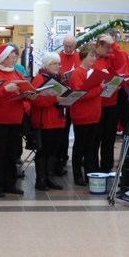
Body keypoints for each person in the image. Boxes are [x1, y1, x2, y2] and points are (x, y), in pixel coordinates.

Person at [0, 44, 28, 197]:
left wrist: (30, 95)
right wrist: (4, 90)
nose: (15, 58)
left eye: (15, 56)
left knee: (12, 154)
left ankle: (10, 183)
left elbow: (26, 88)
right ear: (3, 58)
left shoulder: (17, 72)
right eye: (11, 56)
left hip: (15, 119)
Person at [31, 52, 66, 191]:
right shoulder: (39, 78)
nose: (58, 66)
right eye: (54, 63)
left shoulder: (60, 78)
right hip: (45, 121)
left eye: (58, 63)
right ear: (46, 64)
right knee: (43, 151)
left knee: (53, 151)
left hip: (57, 120)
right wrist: (55, 99)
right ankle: (40, 179)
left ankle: (50, 178)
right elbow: (36, 100)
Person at [69, 43, 104, 186]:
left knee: (91, 148)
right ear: (83, 56)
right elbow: (80, 95)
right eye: (91, 55)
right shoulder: (78, 73)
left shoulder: (94, 72)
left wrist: (101, 87)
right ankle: (77, 175)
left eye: (95, 56)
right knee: (79, 147)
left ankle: (90, 174)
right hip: (82, 115)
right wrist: (99, 89)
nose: (93, 58)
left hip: (94, 114)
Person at [94, 32, 128, 172]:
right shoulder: (92, 59)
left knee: (109, 140)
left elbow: (122, 61)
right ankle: (93, 169)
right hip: (96, 106)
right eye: (107, 46)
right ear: (98, 46)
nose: (110, 50)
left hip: (112, 104)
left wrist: (114, 45)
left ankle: (106, 168)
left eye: (111, 47)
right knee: (95, 140)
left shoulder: (112, 58)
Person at [56, 35, 81, 175]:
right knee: (63, 132)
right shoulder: (58, 57)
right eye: (66, 46)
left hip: (76, 100)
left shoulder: (79, 57)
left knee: (78, 131)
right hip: (63, 98)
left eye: (71, 46)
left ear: (75, 45)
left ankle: (78, 158)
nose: (68, 48)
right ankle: (62, 158)